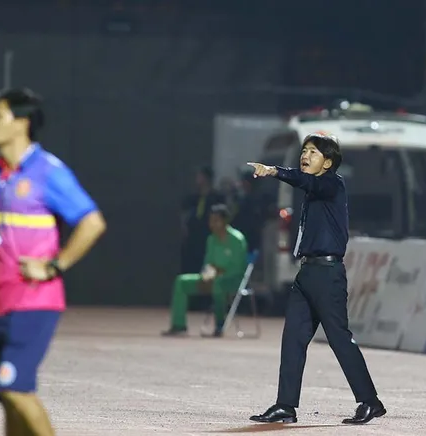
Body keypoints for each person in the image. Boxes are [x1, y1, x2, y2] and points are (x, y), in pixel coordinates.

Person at [0, 87, 107, 436]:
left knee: (16, 389)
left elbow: (92, 222)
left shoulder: (48, 171)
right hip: (0, 301)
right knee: (7, 398)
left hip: (35, 301)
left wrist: (54, 266)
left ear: (22, 122)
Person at [246, 133, 385, 425]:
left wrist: (273, 171)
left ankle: (370, 401)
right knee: (293, 339)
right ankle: (286, 405)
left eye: (312, 152)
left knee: (339, 339)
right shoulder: (314, 190)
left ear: (328, 162)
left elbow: (306, 181)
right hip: (307, 273)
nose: (305, 156)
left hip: (327, 275)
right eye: (304, 151)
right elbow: (306, 184)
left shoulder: (332, 184)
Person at [162, 203, 248, 337]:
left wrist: (215, 275)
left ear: (225, 221)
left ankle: (220, 324)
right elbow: (208, 264)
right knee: (181, 282)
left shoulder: (237, 239)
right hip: (212, 278)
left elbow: (237, 268)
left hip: (232, 281)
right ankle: (179, 325)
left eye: (216, 220)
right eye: (211, 220)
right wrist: (205, 278)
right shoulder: (211, 239)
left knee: (218, 284)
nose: (212, 224)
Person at [180, 166, 225, 274]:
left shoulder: (216, 198)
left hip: (207, 238)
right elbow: (184, 211)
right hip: (193, 239)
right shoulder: (194, 198)